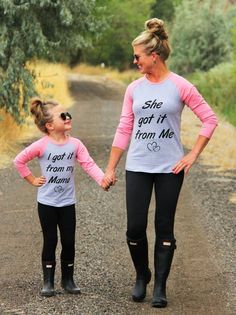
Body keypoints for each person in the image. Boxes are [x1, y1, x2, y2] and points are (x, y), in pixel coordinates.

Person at [103, 18, 218, 308]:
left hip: (170, 168)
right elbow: (124, 128)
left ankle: (161, 287)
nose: (134, 61)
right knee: (134, 228)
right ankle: (142, 275)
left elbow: (210, 119)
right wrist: (111, 167)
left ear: (154, 56)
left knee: (164, 226)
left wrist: (192, 154)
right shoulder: (134, 89)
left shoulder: (180, 86)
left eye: (138, 56)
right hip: (138, 166)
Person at [13, 97, 110, 297]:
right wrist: (32, 180)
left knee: (69, 241)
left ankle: (68, 280)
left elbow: (88, 164)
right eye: (63, 116)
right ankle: (47, 282)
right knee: (50, 240)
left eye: (68, 114)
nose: (68, 118)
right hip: (47, 203)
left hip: (67, 203)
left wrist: (102, 180)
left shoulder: (75, 144)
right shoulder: (42, 145)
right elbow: (19, 160)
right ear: (49, 125)